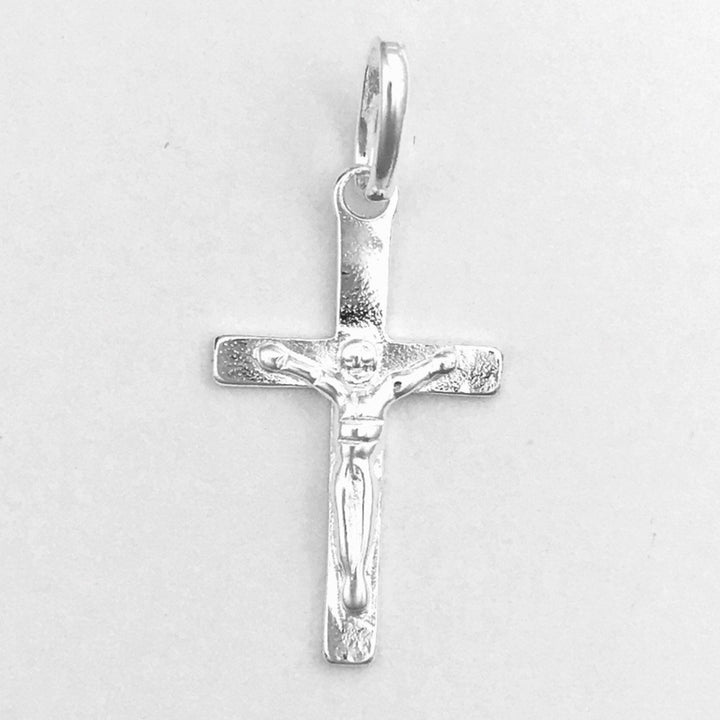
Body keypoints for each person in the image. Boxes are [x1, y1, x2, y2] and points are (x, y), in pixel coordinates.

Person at [254, 338, 456, 612]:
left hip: (364, 469)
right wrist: (283, 361)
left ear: (375, 366)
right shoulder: (341, 392)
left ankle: (357, 574)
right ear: (342, 366)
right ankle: (351, 574)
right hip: (346, 471)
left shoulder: (382, 391)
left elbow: (409, 378)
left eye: (365, 364)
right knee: (346, 528)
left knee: (362, 528)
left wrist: (435, 366)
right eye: (350, 364)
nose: (358, 370)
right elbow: (315, 374)